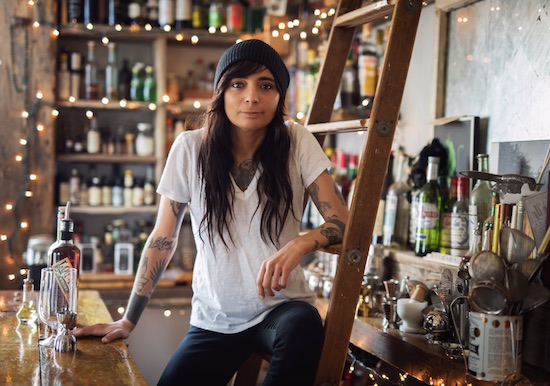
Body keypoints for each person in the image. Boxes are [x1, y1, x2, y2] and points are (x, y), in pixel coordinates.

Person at [74, 39, 348, 386]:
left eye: (266, 86)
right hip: (215, 319)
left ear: (280, 97)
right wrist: (128, 319)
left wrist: (300, 245)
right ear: (221, 92)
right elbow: (163, 238)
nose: (251, 97)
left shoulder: (296, 141)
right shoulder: (190, 148)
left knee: (305, 324)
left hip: (280, 311)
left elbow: (341, 220)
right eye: (238, 84)